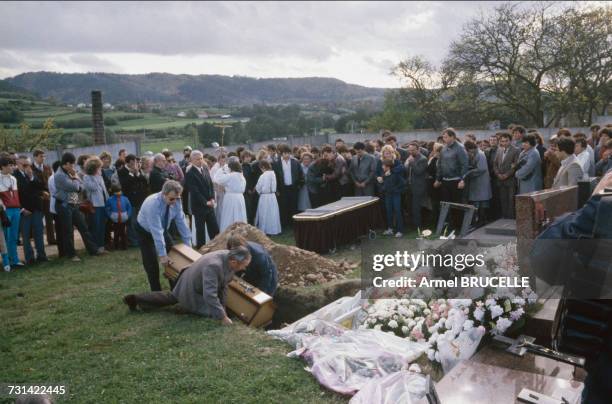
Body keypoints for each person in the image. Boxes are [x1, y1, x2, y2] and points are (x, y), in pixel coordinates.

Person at [123, 246, 252, 326]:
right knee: (176, 299)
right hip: (192, 287)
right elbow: (210, 294)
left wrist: (222, 309)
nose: (245, 268)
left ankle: (137, 299)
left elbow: (223, 286)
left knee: (171, 297)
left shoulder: (229, 258)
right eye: (244, 265)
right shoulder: (214, 265)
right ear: (234, 261)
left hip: (195, 282)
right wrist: (222, 317)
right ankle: (137, 299)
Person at [136, 180, 192, 291]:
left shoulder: (177, 201)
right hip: (145, 232)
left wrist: (188, 249)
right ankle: (156, 292)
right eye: (172, 199)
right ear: (163, 194)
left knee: (174, 258)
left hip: (163, 229)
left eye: (177, 198)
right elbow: (157, 231)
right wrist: (162, 255)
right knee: (151, 263)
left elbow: (182, 224)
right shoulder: (153, 204)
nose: (175, 201)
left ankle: (175, 290)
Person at [53, 152, 100, 261]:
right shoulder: (59, 175)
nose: (74, 167)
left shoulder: (70, 172)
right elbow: (76, 188)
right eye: (72, 164)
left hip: (73, 204)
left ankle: (93, 250)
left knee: (84, 227)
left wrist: (75, 179)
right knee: (68, 231)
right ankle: (71, 255)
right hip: (64, 205)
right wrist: (75, 178)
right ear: (67, 163)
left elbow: (82, 186)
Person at [14, 156, 47, 264]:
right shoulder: (14, 177)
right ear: (18, 165)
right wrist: (22, 209)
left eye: (28, 165)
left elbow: (41, 186)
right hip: (24, 211)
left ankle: (42, 256)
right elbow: (15, 196)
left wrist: (32, 176)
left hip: (37, 208)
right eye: (24, 165)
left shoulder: (33, 174)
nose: (27, 167)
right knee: (26, 236)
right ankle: (30, 258)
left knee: (39, 233)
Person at [434, 128, 469, 231]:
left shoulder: (460, 148)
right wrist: (438, 179)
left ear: (452, 137)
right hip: (445, 181)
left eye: (446, 137)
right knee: (446, 205)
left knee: (456, 205)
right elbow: (440, 165)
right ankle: (449, 225)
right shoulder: (444, 149)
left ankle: (459, 227)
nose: (444, 139)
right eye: (443, 137)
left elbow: (465, 165)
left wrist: (462, 179)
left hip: (456, 181)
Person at [184, 150, 219, 248]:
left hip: (210, 204)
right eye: (197, 159)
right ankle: (201, 250)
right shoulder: (190, 173)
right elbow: (194, 191)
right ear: (191, 160)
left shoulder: (205, 169)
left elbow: (210, 185)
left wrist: (212, 198)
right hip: (199, 206)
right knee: (200, 231)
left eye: (201, 158)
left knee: (214, 229)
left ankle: (216, 246)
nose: (200, 161)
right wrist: (205, 202)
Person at [118, 154, 149, 247]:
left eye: (136, 162)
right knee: (132, 221)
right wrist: (131, 174)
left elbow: (143, 181)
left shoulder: (137, 170)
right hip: (130, 199)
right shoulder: (121, 171)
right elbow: (124, 184)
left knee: (140, 220)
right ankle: (133, 241)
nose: (135, 164)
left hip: (140, 199)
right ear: (129, 162)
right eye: (134, 162)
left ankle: (140, 238)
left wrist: (137, 173)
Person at [0, 156, 23, 270]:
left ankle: (15, 260)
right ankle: (6, 261)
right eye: (10, 165)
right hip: (5, 211)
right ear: (3, 166)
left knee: (13, 236)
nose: (12, 167)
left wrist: (20, 208)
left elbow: (16, 195)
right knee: (5, 236)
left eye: (12, 164)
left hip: (16, 209)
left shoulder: (14, 179)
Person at [273, 144, 303, 227]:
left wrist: (299, 186)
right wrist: (277, 190)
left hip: (293, 188)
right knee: (283, 207)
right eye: (285, 153)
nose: (287, 155)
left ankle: (293, 224)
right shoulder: (276, 164)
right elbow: (275, 177)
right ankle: (284, 225)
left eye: (288, 153)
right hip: (282, 189)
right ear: (281, 153)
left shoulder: (295, 162)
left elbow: (301, 175)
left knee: (294, 206)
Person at [82, 157, 109, 251]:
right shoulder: (86, 177)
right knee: (95, 227)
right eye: (99, 168)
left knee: (102, 226)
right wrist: (97, 177)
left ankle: (101, 246)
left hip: (103, 204)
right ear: (94, 168)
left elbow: (104, 191)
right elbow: (93, 188)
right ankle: (94, 247)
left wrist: (108, 201)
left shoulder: (100, 177)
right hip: (94, 205)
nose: (100, 169)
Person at [213, 157, 247, 232]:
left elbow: (217, 179)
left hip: (230, 197)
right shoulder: (242, 176)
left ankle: (228, 232)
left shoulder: (231, 175)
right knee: (240, 214)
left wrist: (222, 169)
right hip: (240, 197)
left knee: (229, 215)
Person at [464, 140, 492, 226]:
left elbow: (481, 169)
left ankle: (482, 221)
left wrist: (468, 172)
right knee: (478, 202)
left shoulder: (480, 154)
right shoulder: (476, 154)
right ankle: (478, 221)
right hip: (477, 183)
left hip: (481, 182)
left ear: (470, 149)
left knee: (482, 202)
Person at [32, 149, 56, 245]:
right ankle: (38, 241)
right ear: (35, 157)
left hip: (48, 196)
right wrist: (41, 192)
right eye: (41, 156)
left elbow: (50, 180)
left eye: (44, 156)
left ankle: (51, 239)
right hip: (37, 197)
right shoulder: (31, 168)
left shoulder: (47, 167)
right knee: (37, 220)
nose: (43, 158)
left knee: (49, 219)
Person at [493, 132, 520, 219]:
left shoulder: (516, 150)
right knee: (503, 199)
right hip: (500, 179)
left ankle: (511, 217)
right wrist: (498, 174)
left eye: (506, 141)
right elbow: (495, 164)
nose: (504, 143)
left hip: (510, 180)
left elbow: (515, 165)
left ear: (510, 141)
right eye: (502, 141)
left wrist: (506, 175)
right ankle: (504, 217)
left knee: (511, 200)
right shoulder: (499, 149)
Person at [379, 159, 406, 237]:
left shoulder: (396, 174)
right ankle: (390, 229)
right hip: (388, 195)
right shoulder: (384, 175)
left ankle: (400, 230)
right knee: (389, 212)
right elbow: (384, 184)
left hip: (396, 195)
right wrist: (383, 188)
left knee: (397, 211)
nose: (382, 167)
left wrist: (396, 190)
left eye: (383, 166)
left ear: (387, 167)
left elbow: (403, 183)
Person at [255, 160, 281, 236]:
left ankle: (265, 230)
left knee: (264, 213)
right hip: (272, 196)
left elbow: (258, 187)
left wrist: (259, 190)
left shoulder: (262, 176)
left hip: (264, 196)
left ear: (263, 167)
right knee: (272, 213)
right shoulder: (273, 174)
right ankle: (274, 230)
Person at [405, 143, 428, 229]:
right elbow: (407, 171)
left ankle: (417, 226)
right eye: (409, 150)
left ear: (418, 150)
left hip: (418, 186)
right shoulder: (411, 158)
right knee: (410, 206)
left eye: (413, 150)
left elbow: (419, 172)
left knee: (416, 207)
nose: (410, 152)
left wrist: (412, 162)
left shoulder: (423, 159)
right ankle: (411, 224)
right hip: (410, 185)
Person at [105, 183, 132, 250]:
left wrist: (128, 215)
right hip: (115, 219)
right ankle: (116, 246)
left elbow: (129, 207)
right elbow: (107, 208)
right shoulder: (110, 199)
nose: (118, 193)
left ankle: (124, 246)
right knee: (116, 232)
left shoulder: (125, 199)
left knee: (123, 233)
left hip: (123, 218)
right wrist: (111, 215)